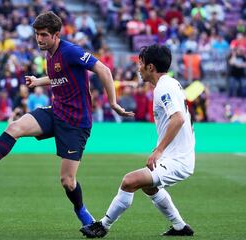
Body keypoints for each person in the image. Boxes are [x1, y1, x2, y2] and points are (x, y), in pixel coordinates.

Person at [0, 11, 133, 230]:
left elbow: (103, 69)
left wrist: (113, 102)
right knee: (15, 127)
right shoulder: (50, 53)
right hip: (55, 112)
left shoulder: (70, 51)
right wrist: (38, 81)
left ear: (56, 35)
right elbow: (60, 76)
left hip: (76, 123)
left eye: (43, 35)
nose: (39, 39)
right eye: (36, 34)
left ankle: (81, 211)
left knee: (67, 181)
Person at [80, 44, 195, 238]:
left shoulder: (164, 88)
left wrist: (159, 150)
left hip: (178, 159)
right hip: (177, 156)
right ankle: (180, 226)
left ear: (150, 67)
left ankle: (102, 226)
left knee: (129, 181)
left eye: (140, 63)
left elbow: (178, 118)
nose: (138, 68)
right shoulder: (170, 83)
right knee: (150, 187)